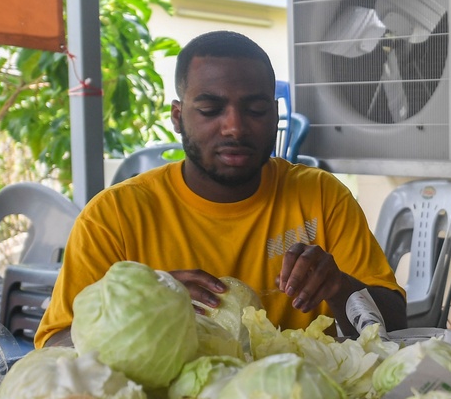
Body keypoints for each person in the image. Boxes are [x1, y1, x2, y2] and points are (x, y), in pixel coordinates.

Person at [36, 31, 407, 348]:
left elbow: (396, 324)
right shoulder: (115, 215)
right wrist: (141, 310)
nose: (234, 127)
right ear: (178, 118)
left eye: (255, 109)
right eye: (211, 108)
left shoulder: (321, 196)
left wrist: (340, 286)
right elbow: (54, 344)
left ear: (275, 116)